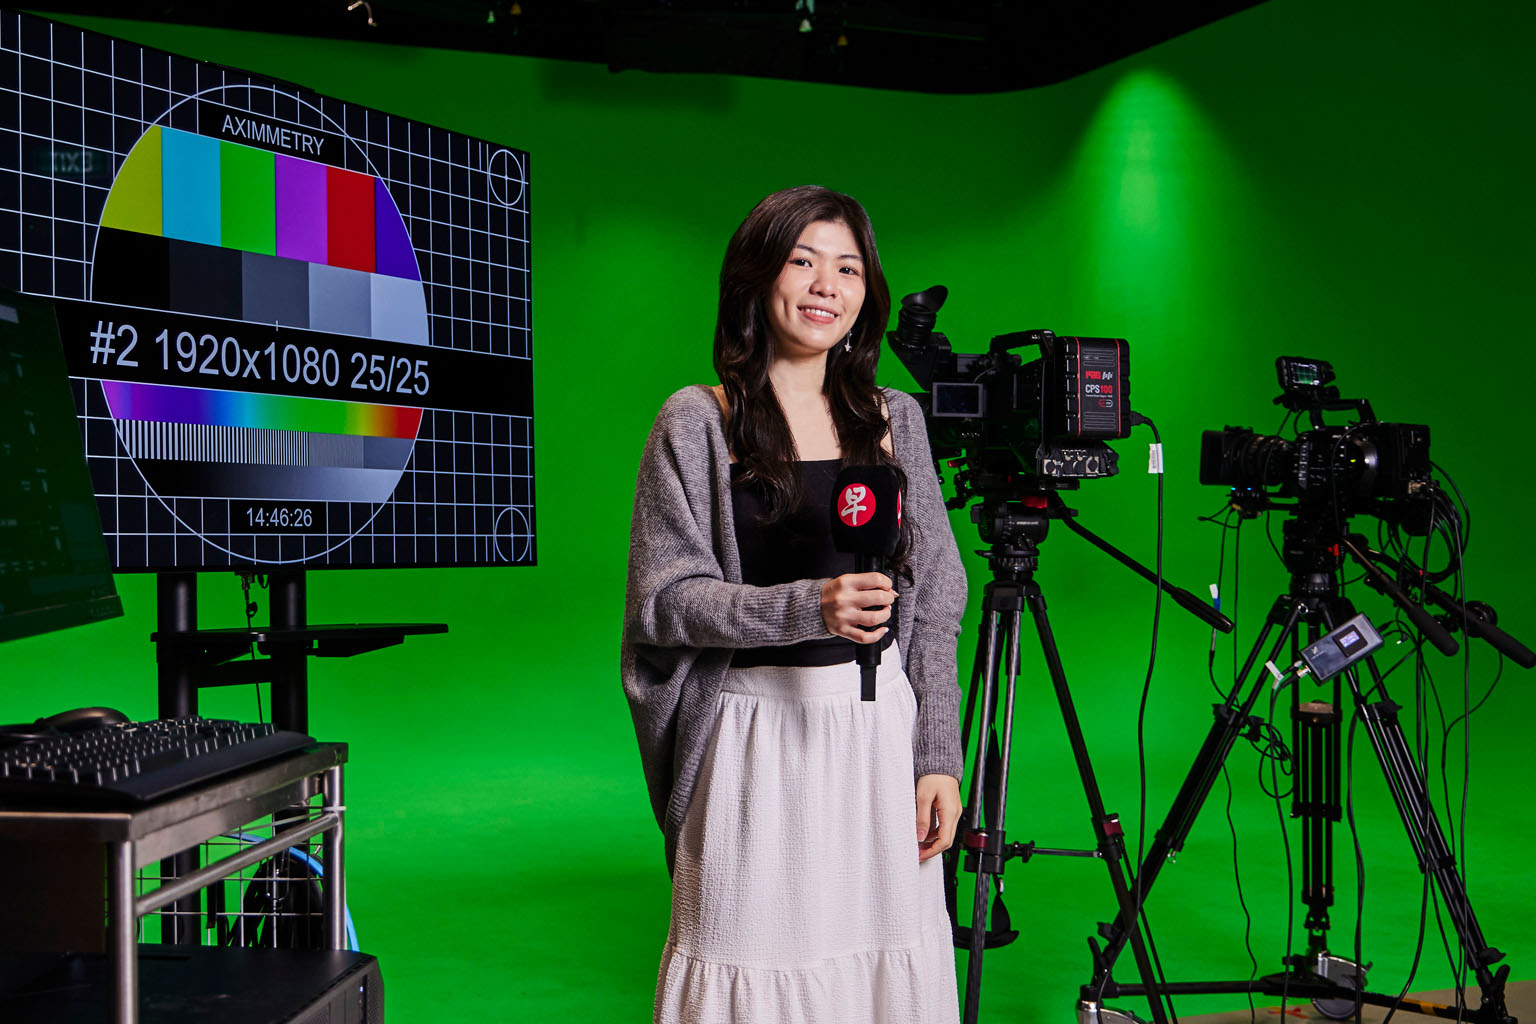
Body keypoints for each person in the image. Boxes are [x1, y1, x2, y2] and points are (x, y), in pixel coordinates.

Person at [622, 184, 968, 1023]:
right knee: (747, 960)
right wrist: (805, 608)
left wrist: (937, 756)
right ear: (756, 279)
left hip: (878, 733)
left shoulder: (897, 421)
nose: (826, 284)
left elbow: (938, 594)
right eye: (803, 260)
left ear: (866, 294)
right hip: (753, 738)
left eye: (847, 268)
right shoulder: (698, 421)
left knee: (885, 968)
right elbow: (663, 602)